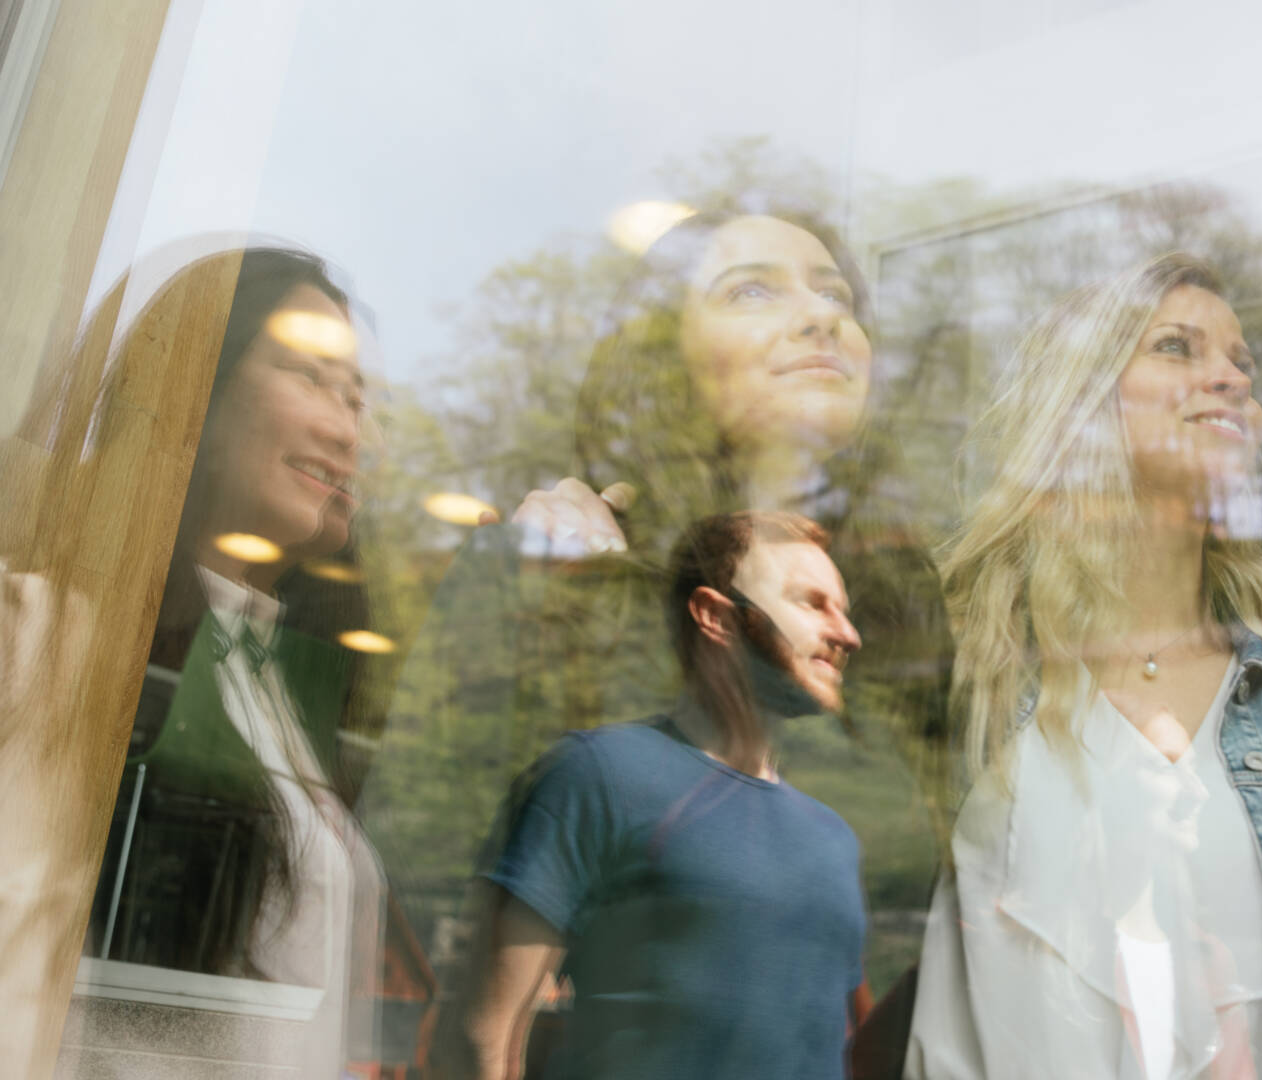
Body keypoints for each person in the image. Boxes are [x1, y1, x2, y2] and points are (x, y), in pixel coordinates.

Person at [365, 209, 951, 1055]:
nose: (824, 316)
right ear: (658, 362)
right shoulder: (563, 578)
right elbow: (424, 866)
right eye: (752, 288)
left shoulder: (898, 626)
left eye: (837, 295)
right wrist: (515, 584)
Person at [905, 252, 1262, 1078]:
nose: (1231, 379)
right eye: (1177, 347)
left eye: (1243, 363)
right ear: (1087, 398)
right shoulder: (971, 670)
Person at [78, 247, 389, 1076]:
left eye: (358, 400)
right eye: (311, 378)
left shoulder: (277, 677)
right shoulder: (60, 637)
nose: (347, 428)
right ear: (197, 390)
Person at [428, 510, 867, 1080]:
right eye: (813, 603)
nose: (847, 634)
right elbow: (480, 1036)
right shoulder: (599, 776)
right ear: (716, 616)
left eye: (845, 612)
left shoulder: (834, 839)